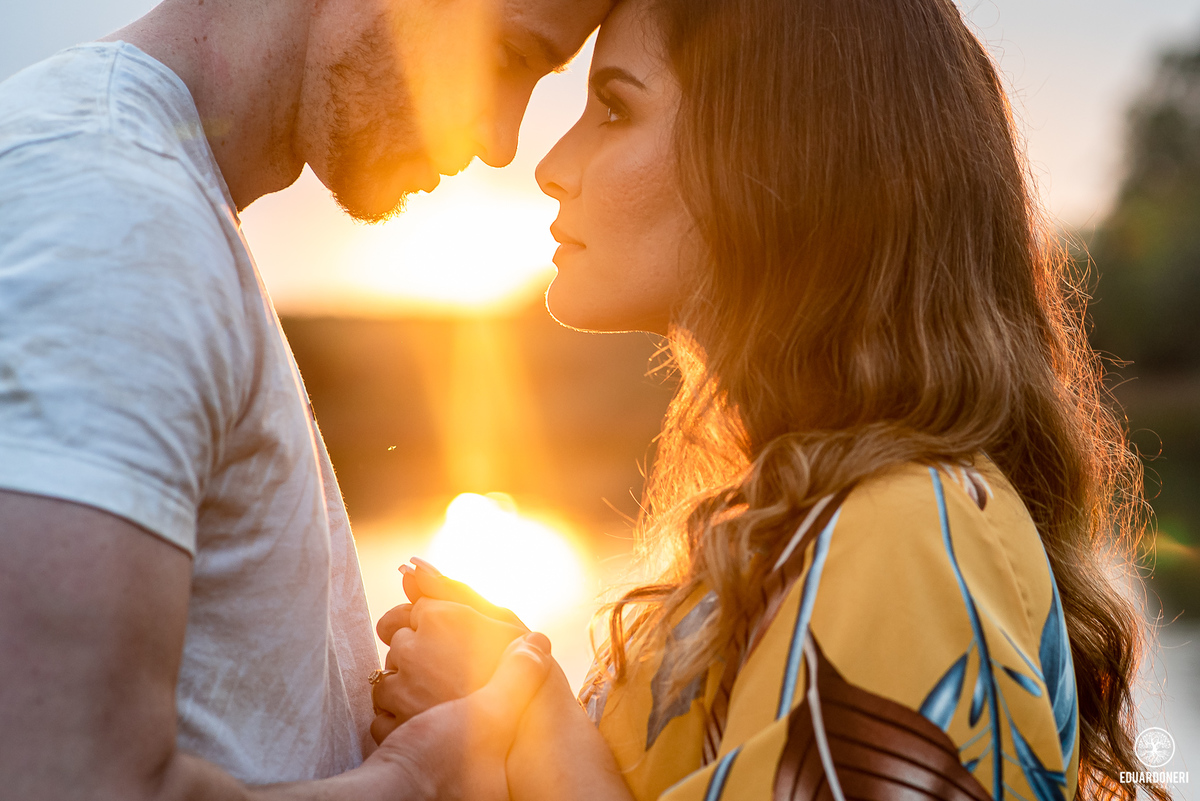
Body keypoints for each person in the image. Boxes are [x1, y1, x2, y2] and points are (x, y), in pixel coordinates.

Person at [368, 0, 1165, 799]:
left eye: (615, 107)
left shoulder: (907, 532)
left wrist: (528, 713)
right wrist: (502, 679)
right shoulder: (800, 528)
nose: (550, 164)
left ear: (778, 157)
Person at [0, 0, 610, 797]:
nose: (501, 142)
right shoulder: (114, 213)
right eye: (506, 58)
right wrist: (415, 779)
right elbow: (67, 780)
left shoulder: (155, 198)